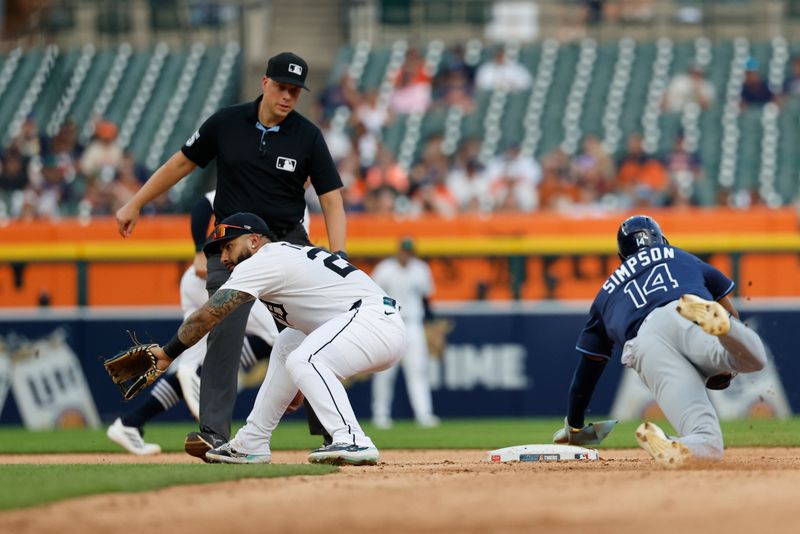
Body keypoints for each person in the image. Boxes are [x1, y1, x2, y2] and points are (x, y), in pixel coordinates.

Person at [115, 51, 347, 461]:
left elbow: (331, 198)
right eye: (281, 87)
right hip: (233, 246)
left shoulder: (307, 135)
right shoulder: (226, 122)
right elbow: (181, 163)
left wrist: (339, 252)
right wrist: (136, 202)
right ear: (264, 82)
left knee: (313, 332)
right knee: (222, 334)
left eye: (295, 90)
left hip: (288, 245)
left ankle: (333, 431)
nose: (288, 96)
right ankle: (214, 433)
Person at [144, 213, 406, 466]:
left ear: (254, 240)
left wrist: (168, 353)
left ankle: (353, 439)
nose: (223, 257)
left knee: (306, 358)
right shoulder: (281, 256)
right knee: (287, 343)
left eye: (228, 247)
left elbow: (208, 316)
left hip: (373, 321)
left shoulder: (263, 260)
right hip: (366, 322)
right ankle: (252, 442)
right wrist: (296, 384)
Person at [554, 215, 767, 468]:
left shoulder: (605, 294)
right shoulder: (680, 256)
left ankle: (669, 442)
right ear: (661, 239)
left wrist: (575, 426)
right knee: (754, 359)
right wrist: (727, 356)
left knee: (708, 441)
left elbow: (586, 372)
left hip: (645, 344)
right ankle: (725, 329)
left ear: (622, 256)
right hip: (686, 312)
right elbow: (730, 308)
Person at [106, 193, 280, 455]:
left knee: (195, 356)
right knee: (276, 336)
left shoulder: (286, 196)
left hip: (199, 281)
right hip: (218, 277)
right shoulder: (257, 183)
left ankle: (131, 423)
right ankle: (195, 374)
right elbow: (202, 205)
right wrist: (199, 249)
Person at [370, 238, 439, 429]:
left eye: (409, 251)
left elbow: (426, 299)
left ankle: (424, 414)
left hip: (413, 324)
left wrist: (431, 325)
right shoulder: (385, 268)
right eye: (404, 251)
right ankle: (380, 415)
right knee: (385, 372)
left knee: (418, 371)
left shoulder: (421, 268)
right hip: (389, 323)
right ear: (398, 251)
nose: (406, 254)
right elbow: (373, 296)